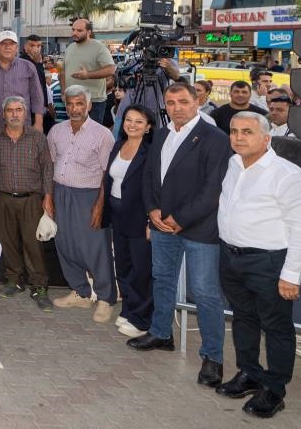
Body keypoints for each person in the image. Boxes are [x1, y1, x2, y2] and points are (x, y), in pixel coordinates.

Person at [128, 83, 232, 391]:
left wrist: (180, 218)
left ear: (197, 101)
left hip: (199, 228)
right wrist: (152, 211)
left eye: (183, 101)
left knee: (204, 292)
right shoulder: (161, 134)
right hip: (162, 225)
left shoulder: (216, 139)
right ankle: (161, 333)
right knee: (162, 279)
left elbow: (213, 188)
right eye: (171, 102)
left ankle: (212, 357)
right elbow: (149, 177)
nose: (176, 107)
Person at [214, 111, 301, 418]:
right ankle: (249, 373)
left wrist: (291, 274)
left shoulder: (288, 175)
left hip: (269, 262)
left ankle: (274, 389)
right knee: (244, 318)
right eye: (234, 131)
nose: (239, 137)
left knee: (276, 326)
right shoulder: (233, 164)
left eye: (247, 132)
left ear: (267, 137)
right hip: (231, 257)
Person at [46, 86, 118, 321]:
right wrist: (49, 196)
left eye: (79, 104)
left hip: (89, 196)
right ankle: (81, 292)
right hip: (61, 193)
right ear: (65, 105)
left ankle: (106, 298)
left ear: (88, 105)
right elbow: (51, 165)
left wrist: (100, 205)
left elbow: (108, 173)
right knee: (65, 244)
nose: (74, 108)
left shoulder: (102, 134)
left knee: (95, 248)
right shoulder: (56, 131)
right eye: (70, 104)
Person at [0, 96, 54, 310]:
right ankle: (14, 280)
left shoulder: (38, 138)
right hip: (1, 197)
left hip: (31, 198)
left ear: (25, 113)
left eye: (19, 110)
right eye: (10, 110)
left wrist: (48, 197)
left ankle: (39, 285)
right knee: (8, 241)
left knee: (33, 244)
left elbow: (47, 169)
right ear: (3, 114)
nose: (14, 114)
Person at [104, 105, 158, 339]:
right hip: (118, 214)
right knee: (123, 266)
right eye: (128, 120)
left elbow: (157, 188)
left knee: (141, 269)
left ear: (148, 127)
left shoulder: (151, 152)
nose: (132, 125)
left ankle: (142, 318)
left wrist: (150, 220)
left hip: (140, 217)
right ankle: (128, 308)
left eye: (139, 121)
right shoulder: (118, 145)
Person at [0, 31, 46, 131]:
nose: (7, 47)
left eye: (11, 44)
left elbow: (37, 97)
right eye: (3, 43)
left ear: (16, 47)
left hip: (22, 127)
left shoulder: (28, 67)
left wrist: (39, 123)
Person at [61, 19, 116, 124]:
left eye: (79, 30)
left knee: (92, 136)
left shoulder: (99, 47)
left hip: (94, 101)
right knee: (75, 133)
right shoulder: (70, 48)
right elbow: (63, 72)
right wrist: (64, 92)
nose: (75, 33)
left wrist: (88, 75)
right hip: (72, 100)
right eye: (73, 30)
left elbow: (111, 69)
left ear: (89, 32)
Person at [20, 34, 55, 133]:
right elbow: (36, 84)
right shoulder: (22, 62)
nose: (36, 49)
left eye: (38, 46)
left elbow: (43, 86)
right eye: (32, 45)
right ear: (25, 47)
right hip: (31, 110)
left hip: (42, 108)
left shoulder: (38, 61)